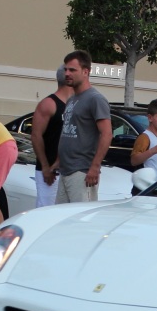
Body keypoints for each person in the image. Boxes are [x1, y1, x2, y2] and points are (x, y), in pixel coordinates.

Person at [49, 51, 111, 204]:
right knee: (61, 219)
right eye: (66, 70)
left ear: (86, 72)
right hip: (65, 170)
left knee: (80, 221)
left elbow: (107, 134)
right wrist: (58, 161)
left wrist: (95, 167)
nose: (67, 73)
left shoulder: (95, 99)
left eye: (72, 70)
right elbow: (67, 131)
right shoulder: (72, 99)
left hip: (82, 172)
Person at [30, 66, 72, 207]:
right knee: (46, 210)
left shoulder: (76, 104)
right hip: (50, 173)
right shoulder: (49, 104)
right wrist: (45, 166)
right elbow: (36, 135)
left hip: (69, 169)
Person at [130, 98, 157, 178]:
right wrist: (154, 150)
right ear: (150, 118)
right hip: (146, 186)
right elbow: (134, 160)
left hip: (155, 184)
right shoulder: (144, 137)